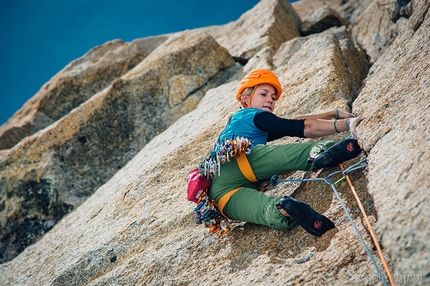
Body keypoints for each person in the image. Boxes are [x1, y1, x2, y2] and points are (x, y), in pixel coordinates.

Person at [207, 69, 364, 236]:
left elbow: (292, 122)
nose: (270, 100)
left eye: (273, 97)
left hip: (221, 195)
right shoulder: (253, 115)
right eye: (264, 94)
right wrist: (347, 124)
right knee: (294, 154)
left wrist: (332, 114)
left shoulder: (240, 122)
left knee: (265, 210)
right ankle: (319, 153)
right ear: (245, 98)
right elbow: (304, 127)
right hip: (242, 162)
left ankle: (285, 209)